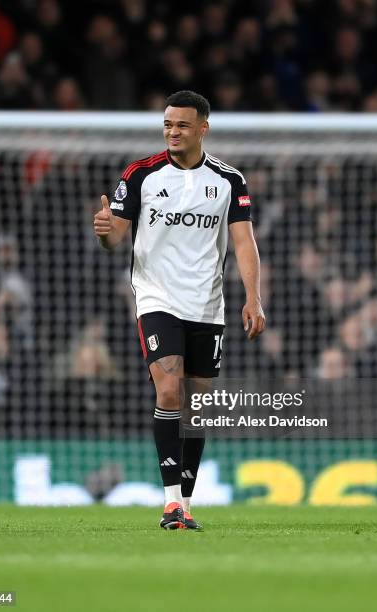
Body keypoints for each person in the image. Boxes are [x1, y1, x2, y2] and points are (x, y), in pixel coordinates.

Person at [93, 90, 265, 530]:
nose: (173, 132)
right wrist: (106, 233)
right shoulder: (141, 174)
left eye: (183, 125)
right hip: (157, 298)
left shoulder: (228, 181)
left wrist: (253, 297)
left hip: (207, 304)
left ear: (203, 127)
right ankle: (170, 504)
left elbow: (244, 242)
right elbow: (116, 240)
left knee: (198, 403)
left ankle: (185, 503)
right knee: (169, 391)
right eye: (168, 124)